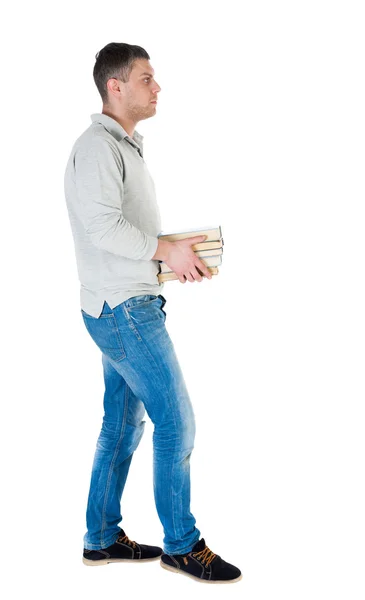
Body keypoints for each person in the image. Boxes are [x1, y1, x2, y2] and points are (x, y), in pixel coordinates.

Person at [64, 42, 241, 584]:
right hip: (124, 312)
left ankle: (101, 537)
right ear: (115, 87)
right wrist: (164, 251)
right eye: (146, 77)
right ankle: (182, 544)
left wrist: (172, 255)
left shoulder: (124, 146)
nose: (156, 86)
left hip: (123, 303)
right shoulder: (99, 146)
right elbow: (101, 229)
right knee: (176, 423)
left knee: (120, 427)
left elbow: (120, 233)